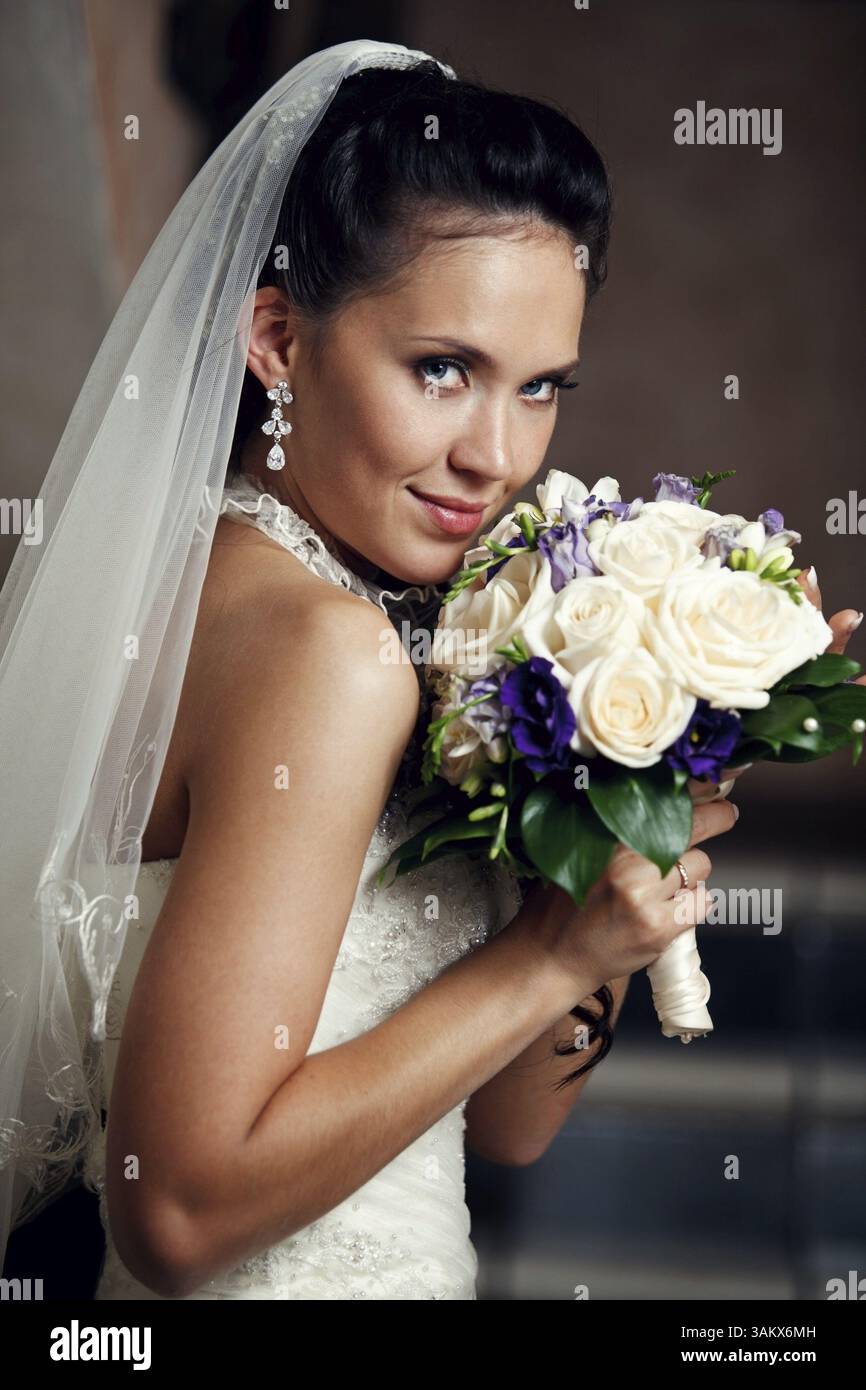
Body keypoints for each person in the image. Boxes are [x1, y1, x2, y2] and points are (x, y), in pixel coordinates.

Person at [0, 39, 859, 1302]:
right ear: (279, 340)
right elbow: (174, 1217)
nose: (494, 457)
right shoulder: (327, 655)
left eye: (541, 389)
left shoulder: (298, 601)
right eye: (441, 371)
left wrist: (636, 799)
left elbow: (506, 1122)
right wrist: (551, 962)